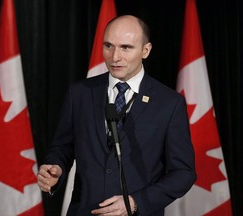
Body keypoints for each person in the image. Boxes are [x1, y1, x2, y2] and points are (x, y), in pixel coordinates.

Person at [37, 15, 196, 216]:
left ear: (145, 50)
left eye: (126, 48)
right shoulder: (80, 94)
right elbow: (62, 147)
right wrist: (55, 168)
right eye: (108, 46)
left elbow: (183, 173)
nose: (114, 57)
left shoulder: (169, 103)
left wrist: (135, 202)